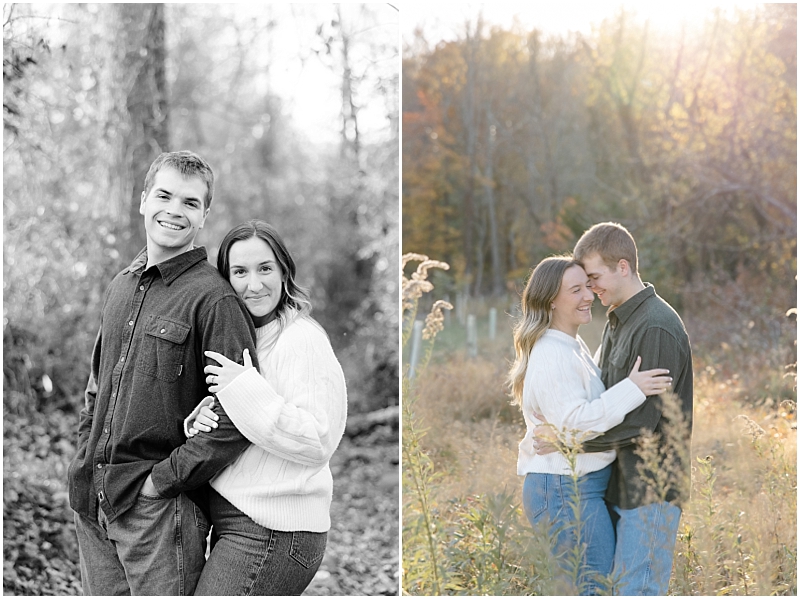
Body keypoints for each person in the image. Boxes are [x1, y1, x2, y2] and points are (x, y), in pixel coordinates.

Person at [68, 151, 260, 595]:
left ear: (204, 215)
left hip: (157, 512)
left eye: (190, 203)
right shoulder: (121, 286)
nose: (174, 210)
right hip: (92, 503)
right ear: (143, 200)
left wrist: (161, 482)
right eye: (164, 195)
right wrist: (82, 460)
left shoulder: (215, 301)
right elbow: (97, 389)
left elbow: (240, 417)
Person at [183, 219, 348, 595]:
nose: (253, 285)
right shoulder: (244, 338)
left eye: (265, 269)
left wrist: (243, 389)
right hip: (236, 521)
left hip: (275, 530)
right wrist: (202, 420)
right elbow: (247, 426)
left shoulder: (301, 339)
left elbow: (317, 439)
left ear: (284, 271)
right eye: (239, 272)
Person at [535, 222, 694, 595]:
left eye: (594, 277)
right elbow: (604, 397)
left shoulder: (656, 326)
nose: (591, 289)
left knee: (636, 591)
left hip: (649, 491)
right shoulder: (618, 319)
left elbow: (642, 424)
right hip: (618, 484)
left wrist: (570, 443)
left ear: (623, 267)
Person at [508, 256, 672, 595]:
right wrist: (634, 388)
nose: (589, 295)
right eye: (576, 289)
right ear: (551, 300)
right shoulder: (552, 352)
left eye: (588, 285)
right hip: (564, 489)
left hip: (578, 487)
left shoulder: (571, 345)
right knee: (592, 589)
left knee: (594, 587)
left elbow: (575, 412)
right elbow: (574, 424)